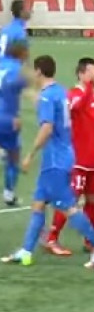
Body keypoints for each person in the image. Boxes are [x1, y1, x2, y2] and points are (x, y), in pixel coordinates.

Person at [1, 55, 94, 269]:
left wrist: (30, 155)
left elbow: (47, 128)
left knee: (68, 208)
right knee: (38, 204)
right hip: (62, 155)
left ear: (39, 72)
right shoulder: (60, 91)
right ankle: (26, 251)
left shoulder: (48, 97)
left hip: (55, 160)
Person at [45, 58, 94, 256]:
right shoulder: (74, 95)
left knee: (93, 200)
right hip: (77, 160)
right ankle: (51, 239)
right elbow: (75, 109)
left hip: (93, 161)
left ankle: (90, 240)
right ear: (81, 74)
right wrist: (88, 89)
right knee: (70, 201)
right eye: (93, 72)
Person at [0, 40, 30, 206]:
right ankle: (9, 194)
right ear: (20, 54)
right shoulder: (18, 71)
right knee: (14, 156)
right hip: (6, 118)